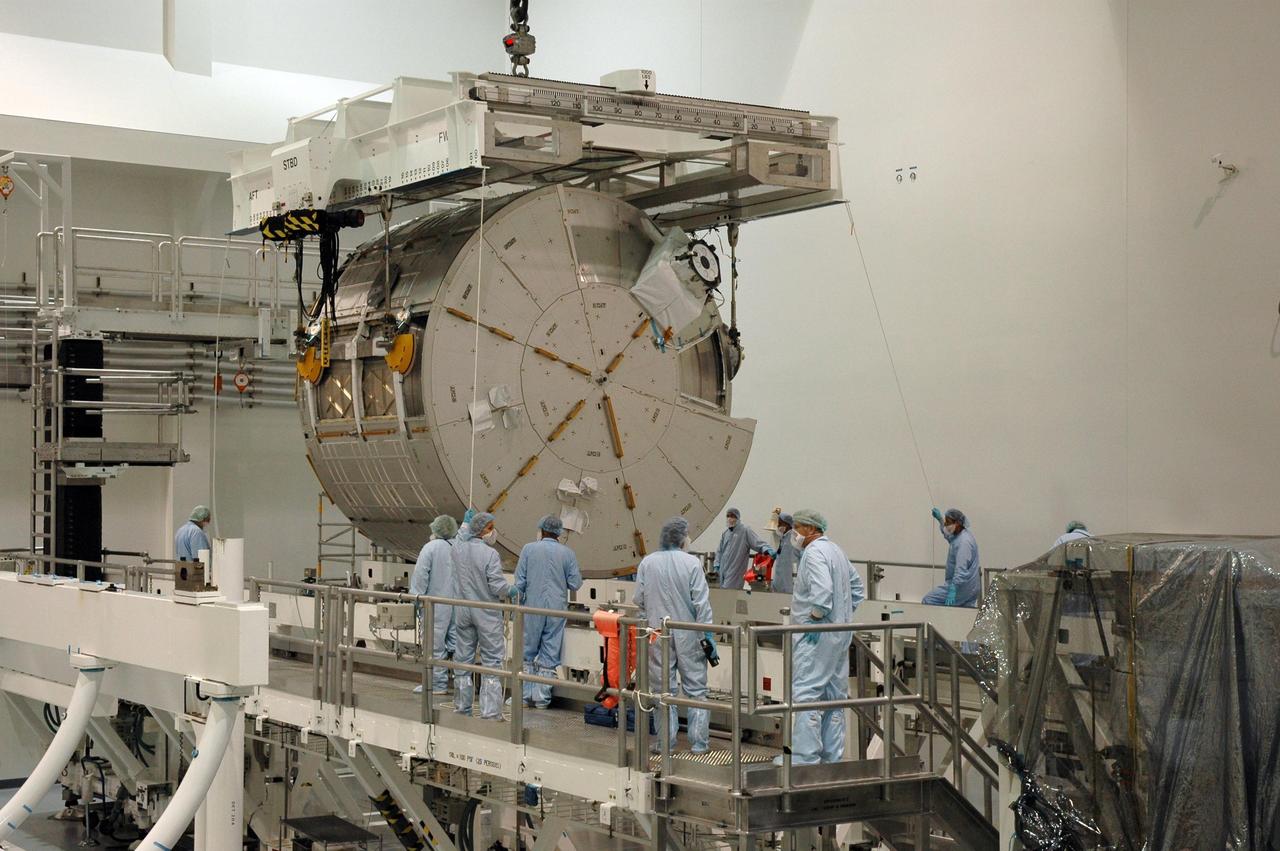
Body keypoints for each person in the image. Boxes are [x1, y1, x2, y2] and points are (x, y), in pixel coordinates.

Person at [786, 509, 865, 765]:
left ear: (810, 529)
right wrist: (842, 617)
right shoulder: (836, 550)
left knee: (807, 694)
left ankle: (804, 759)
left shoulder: (813, 554)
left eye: (797, 528)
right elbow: (857, 588)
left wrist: (816, 619)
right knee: (833, 698)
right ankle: (831, 758)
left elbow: (822, 594)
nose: (794, 534)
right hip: (839, 635)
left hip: (816, 637)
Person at [634, 516, 714, 754]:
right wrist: (707, 634)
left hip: (657, 633)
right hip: (689, 634)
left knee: (662, 690)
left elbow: (638, 599)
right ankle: (699, 744)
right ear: (682, 538)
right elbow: (701, 603)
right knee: (696, 690)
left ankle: (665, 743)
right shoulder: (691, 563)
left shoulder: (648, 563)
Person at [451, 512, 518, 719]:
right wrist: (512, 590)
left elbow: (459, 538)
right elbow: (497, 586)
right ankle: (490, 713)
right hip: (486, 613)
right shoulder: (490, 554)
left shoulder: (458, 549)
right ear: (482, 530)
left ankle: (462, 708)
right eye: (490, 528)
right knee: (491, 662)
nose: (493, 532)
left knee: (463, 659)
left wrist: (464, 524)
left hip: (462, 611)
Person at [514, 515, 583, 709]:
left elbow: (519, 582)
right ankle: (542, 698)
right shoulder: (568, 553)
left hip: (532, 607)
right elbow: (575, 583)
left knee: (527, 651)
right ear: (559, 533)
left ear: (541, 530)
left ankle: (524, 696)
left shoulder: (528, 549)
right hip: (556, 609)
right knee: (550, 652)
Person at [410, 514, 459, 694]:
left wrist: (416, 598)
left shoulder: (430, 548)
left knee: (434, 645)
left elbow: (421, 575)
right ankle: (462, 685)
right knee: (458, 646)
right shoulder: (459, 547)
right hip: (457, 605)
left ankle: (437, 684)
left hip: (435, 605)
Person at [923, 508, 982, 607]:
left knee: (928, 600)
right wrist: (940, 520)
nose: (946, 525)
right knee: (962, 616)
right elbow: (948, 534)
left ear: (958, 523)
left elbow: (961, 570)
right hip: (969, 587)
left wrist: (953, 589)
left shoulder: (964, 543)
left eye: (948, 522)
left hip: (961, 587)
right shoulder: (959, 536)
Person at [714, 508, 773, 590]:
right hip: (723, 570)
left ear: (737, 517)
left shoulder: (745, 531)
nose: (730, 518)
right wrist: (716, 565)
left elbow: (757, 542)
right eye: (728, 516)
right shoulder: (726, 533)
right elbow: (719, 551)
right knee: (723, 594)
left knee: (731, 594)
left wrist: (766, 549)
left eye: (732, 516)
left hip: (735, 571)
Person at [770, 512, 802, 594]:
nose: (778, 526)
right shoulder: (783, 538)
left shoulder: (794, 537)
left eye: (780, 523)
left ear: (787, 524)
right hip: (779, 579)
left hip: (789, 580)